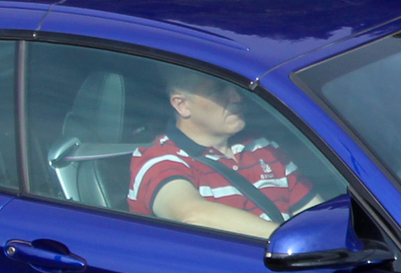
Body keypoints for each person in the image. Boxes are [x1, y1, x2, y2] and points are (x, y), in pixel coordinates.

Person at [127, 66, 321, 238]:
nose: (237, 97)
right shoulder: (159, 159)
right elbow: (193, 215)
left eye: (235, 87)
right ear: (182, 105)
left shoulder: (263, 148)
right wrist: (286, 240)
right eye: (218, 90)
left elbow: (314, 214)